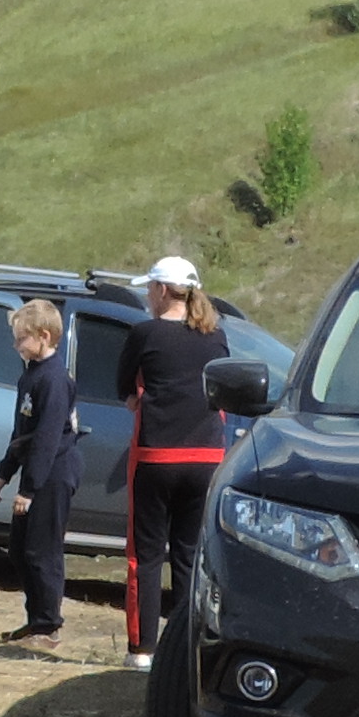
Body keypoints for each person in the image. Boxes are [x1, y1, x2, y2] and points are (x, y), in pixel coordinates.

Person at [118, 256, 232, 670]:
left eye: (150, 288)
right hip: (206, 456)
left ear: (162, 290)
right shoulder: (216, 336)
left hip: (156, 455)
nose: (148, 295)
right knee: (189, 555)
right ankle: (184, 647)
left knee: (145, 557)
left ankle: (143, 649)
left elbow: (126, 394)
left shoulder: (144, 333)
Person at [0, 296, 79, 648]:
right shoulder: (30, 375)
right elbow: (22, 433)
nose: (16, 346)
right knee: (20, 549)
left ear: (44, 336)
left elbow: (46, 437)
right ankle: (35, 620)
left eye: (22, 339)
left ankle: (48, 626)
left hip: (54, 472)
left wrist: (28, 489)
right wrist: (6, 470)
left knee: (42, 551)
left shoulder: (54, 380)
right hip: (36, 468)